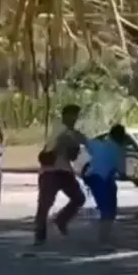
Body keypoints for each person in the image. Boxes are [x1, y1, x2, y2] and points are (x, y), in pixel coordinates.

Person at [33, 104, 88, 245]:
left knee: (79, 198)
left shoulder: (69, 132)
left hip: (63, 171)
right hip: (51, 172)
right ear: (65, 116)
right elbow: (64, 145)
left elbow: (72, 154)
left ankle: (61, 220)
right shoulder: (60, 130)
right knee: (45, 204)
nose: (74, 119)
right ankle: (40, 235)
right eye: (72, 115)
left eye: (76, 116)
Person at [81, 125, 131, 247]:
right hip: (103, 178)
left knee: (106, 207)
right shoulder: (119, 150)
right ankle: (103, 238)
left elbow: (85, 142)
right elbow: (122, 172)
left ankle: (103, 236)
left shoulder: (98, 144)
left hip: (92, 176)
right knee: (109, 209)